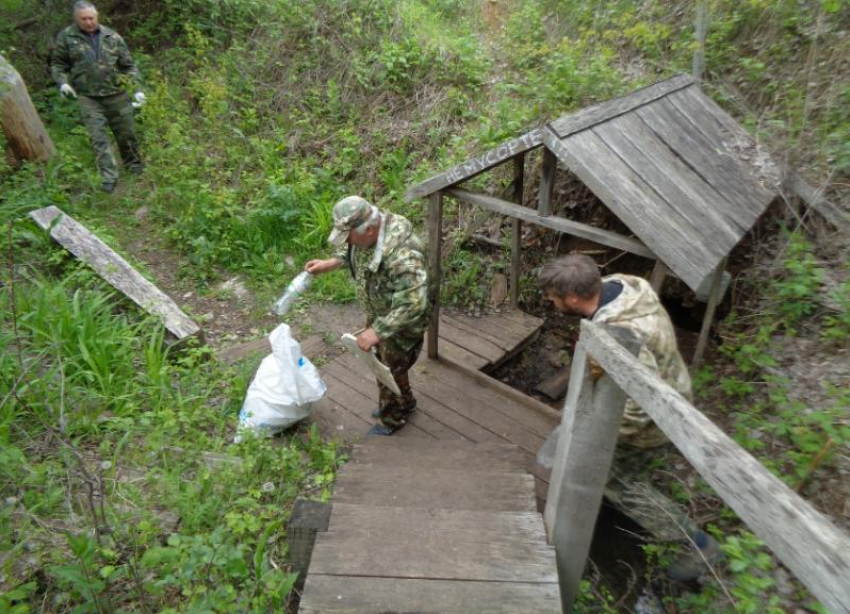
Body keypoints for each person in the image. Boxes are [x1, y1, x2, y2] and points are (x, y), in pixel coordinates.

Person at [539, 253, 722, 581]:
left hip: (657, 418)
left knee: (618, 483)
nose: (552, 304)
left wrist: (592, 434)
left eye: (554, 299)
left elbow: (640, 406)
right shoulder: (620, 285)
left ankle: (697, 545)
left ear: (573, 298)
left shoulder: (620, 335)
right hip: (674, 388)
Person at [306, 196, 432, 436]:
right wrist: (329, 263)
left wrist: (378, 331)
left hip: (401, 322)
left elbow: (415, 304)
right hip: (381, 313)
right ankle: (405, 401)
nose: (347, 242)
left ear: (370, 230)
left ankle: (392, 419)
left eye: (349, 236)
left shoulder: (404, 256)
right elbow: (352, 250)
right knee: (385, 363)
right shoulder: (369, 232)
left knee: (388, 368)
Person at [50, 1, 146, 193]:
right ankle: (109, 178)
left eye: (91, 18)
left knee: (126, 132)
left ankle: (134, 166)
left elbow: (128, 65)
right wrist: (63, 83)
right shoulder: (67, 37)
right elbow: (58, 64)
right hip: (88, 97)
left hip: (116, 93)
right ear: (77, 19)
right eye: (84, 19)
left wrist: (137, 89)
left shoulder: (112, 36)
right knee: (98, 137)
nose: (89, 22)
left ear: (97, 16)